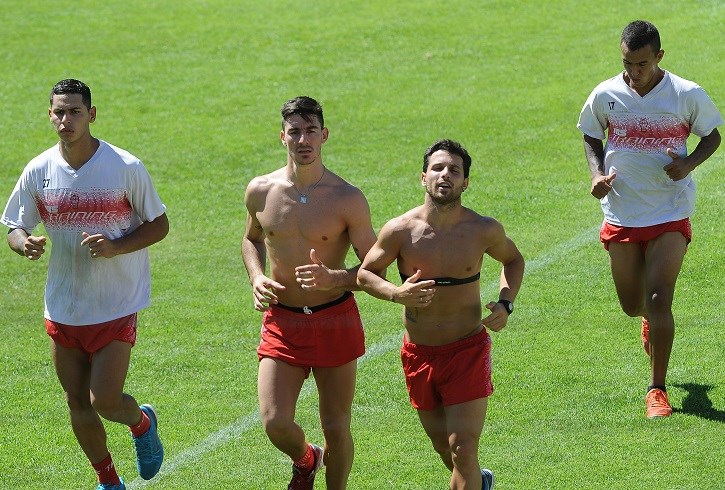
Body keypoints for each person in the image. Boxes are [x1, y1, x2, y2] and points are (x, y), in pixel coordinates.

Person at [1, 79, 168, 490]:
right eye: (59, 112)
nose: (66, 120)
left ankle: (142, 423)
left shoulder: (124, 167)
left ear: (91, 115)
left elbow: (159, 224)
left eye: (75, 111)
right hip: (63, 307)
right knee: (77, 403)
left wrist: (116, 247)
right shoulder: (39, 170)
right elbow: (14, 225)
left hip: (115, 304)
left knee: (104, 401)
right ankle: (108, 481)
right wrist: (24, 244)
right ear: (49, 115)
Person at [357, 139, 524, 490]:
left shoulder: (482, 229)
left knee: (462, 448)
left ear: (466, 182)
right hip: (419, 354)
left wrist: (506, 302)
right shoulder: (400, 230)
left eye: (454, 170)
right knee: (444, 448)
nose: (445, 175)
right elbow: (365, 274)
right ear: (423, 177)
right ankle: (480, 481)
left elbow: (513, 259)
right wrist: (396, 293)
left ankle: (472, 475)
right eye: (437, 168)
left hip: (467, 350)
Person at [577, 20, 722, 419]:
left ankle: (656, 389)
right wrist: (596, 174)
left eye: (642, 64)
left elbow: (712, 135)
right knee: (632, 305)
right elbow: (590, 134)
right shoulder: (606, 93)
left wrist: (689, 164)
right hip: (623, 211)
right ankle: (649, 322)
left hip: (670, 209)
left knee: (659, 298)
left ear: (659, 56)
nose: (634, 72)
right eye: (627, 63)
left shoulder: (685, 93)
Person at [241, 96, 377, 490]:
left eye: (311, 131)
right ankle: (306, 459)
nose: (303, 140)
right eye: (295, 132)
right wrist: (256, 277)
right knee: (275, 421)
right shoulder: (260, 190)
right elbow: (251, 239)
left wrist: (334, 278)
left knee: (336, 427)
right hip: (282, 321)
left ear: (324, 135)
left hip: (335, 320)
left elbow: (374, 268)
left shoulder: (347, 198)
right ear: (282, 136)